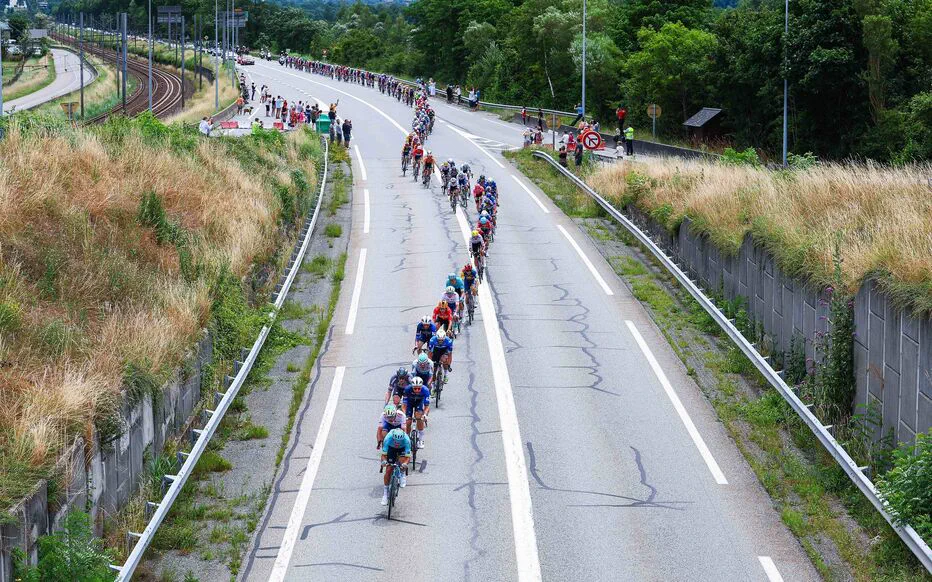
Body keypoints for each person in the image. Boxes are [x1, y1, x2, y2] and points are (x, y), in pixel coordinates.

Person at [380, 428, 411, 505]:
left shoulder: (406, 440)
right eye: (396, 441)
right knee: (388, 469)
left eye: (399, 441)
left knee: (402, 461)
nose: (397, 443)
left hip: (402, 448)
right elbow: (383, 455)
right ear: (393, 438)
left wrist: (405, 464)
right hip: (391, 448)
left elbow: (408, 457)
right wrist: (384, 462)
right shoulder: (388, 438)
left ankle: (402, 474)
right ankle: (385, 493)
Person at [402, 377, 430, 448]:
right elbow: (404, 405)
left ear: (421, 387)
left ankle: (420, 440)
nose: (417, 390)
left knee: (419, 417)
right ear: (412, 387)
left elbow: (427, 406)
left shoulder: (425, 390)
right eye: (415, 388)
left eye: (418, 388)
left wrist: (425, 415)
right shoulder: (407, 389)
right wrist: (404, 414)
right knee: (408, 421)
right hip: (409, 403)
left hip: (419, 403)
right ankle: (407, 438)